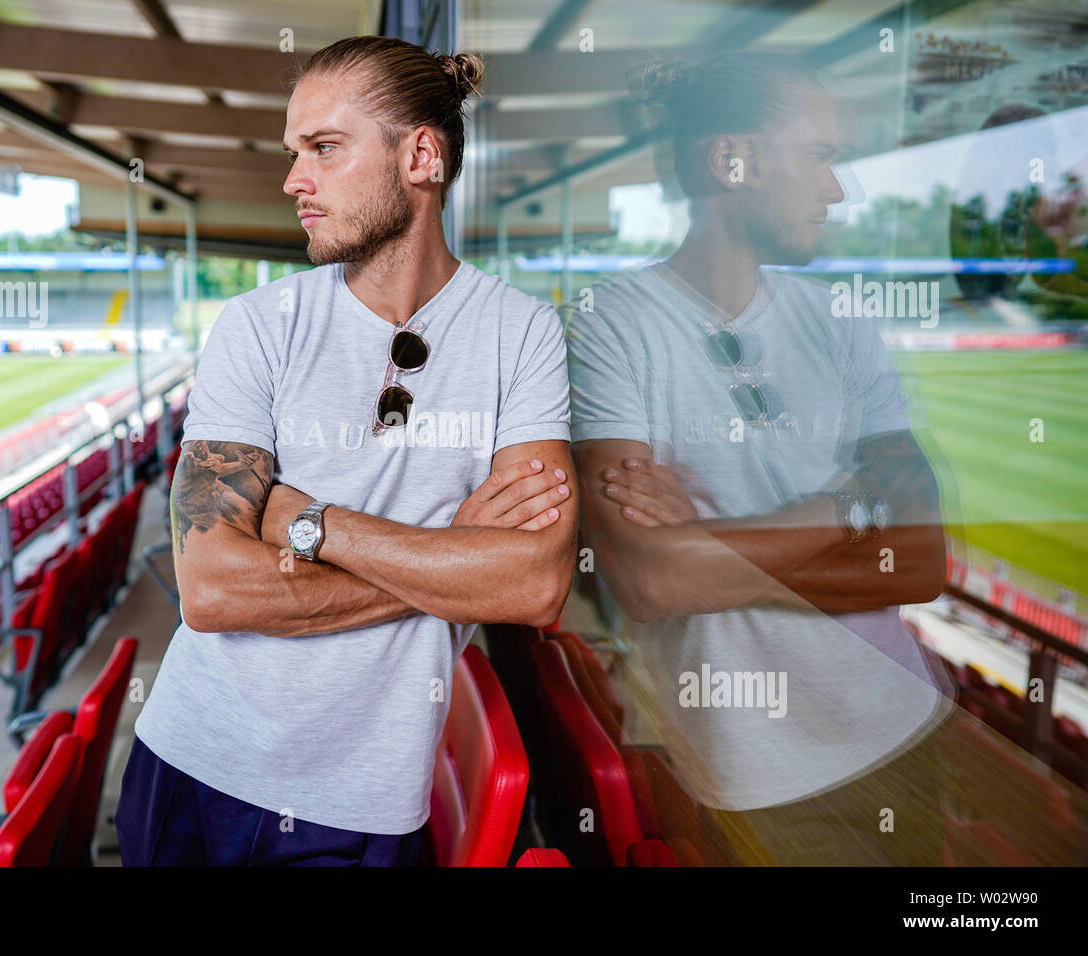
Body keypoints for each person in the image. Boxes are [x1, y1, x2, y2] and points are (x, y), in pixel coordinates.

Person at [115, 35, 579, 867]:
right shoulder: (258, 326)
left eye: (324, 149)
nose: (294, 181)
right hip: (195, 759)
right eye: (295, 153)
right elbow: (212, 589)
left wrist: (310, 520)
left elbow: (535, 582)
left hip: (368, 798)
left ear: (422, 156)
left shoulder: (524, 334)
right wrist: (452, 565)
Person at [566, 52, 957, 865]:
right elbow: (649, 582)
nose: (836, 189)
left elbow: (919, 560)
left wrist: (708, 544)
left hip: (908, 728)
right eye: (820, 156)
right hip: (757, 778)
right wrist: (847, 512)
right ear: (732, 161)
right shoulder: (611, 323)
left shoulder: (840, 320)